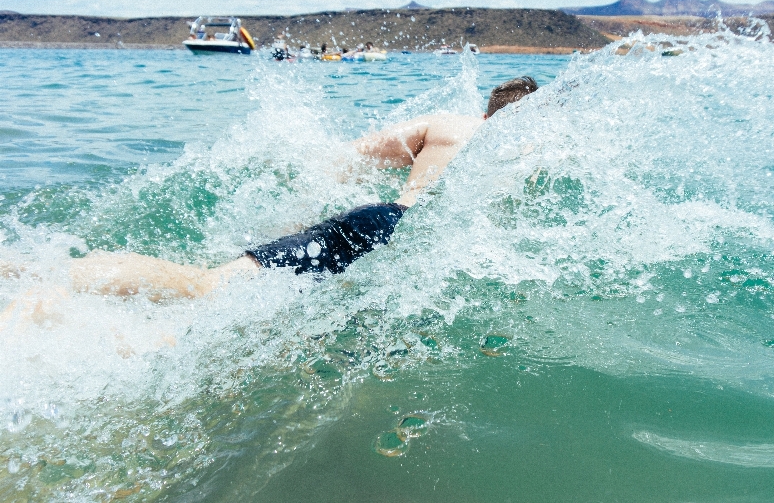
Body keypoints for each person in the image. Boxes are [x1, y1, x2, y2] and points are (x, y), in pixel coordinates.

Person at [11, 77, 539, 303]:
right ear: (527, 118)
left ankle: (42, 272)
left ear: (487, 108)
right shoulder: (530, 151)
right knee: (207, 293)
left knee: (213, 285)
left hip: (377, 218)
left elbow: (339, 161)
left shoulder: (446, 126)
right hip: (413, 240)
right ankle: (73, 275)